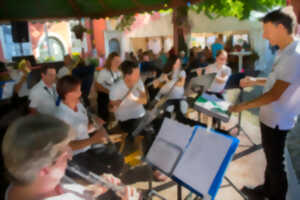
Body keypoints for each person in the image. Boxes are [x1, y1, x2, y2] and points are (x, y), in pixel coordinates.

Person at [229, 7, 300, 200]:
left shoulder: (295, 56)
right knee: (271, 158)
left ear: (280, 28)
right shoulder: (283, 51)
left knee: (276, 162)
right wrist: (255, 81)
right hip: (270, 117)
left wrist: (241, 106)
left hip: (278, 119)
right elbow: (276, 79)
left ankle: (276, 195)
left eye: (266, 30)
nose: (264, 35)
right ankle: (266, 189)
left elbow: (274, 94)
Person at [2, 114, 139, 200]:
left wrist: (93, 190)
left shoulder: (22, 182)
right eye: (64, 154)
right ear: (44, 169)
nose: (70, 156)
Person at [55, 75, 124, 177]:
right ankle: (109, 186)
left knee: (118, 158)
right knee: (106, 173)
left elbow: (83, 130)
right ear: (69, 95)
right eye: (78, 91)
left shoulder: (78, 104)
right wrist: (93, 140)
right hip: (75, 157)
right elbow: (68, 145)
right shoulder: (60, 116)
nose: (81, 93)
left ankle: (113, 184)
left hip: (88, 148)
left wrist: (95, 126)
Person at [95, 52, 122, 122]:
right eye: (116, 61)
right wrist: (109, 92)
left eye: (119, 61)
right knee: (104, 117)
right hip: (104, 96)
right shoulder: (104, 72)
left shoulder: (120, 72)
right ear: (110, 61)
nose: (118, 63)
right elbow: (97, 86)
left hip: (115, 96)